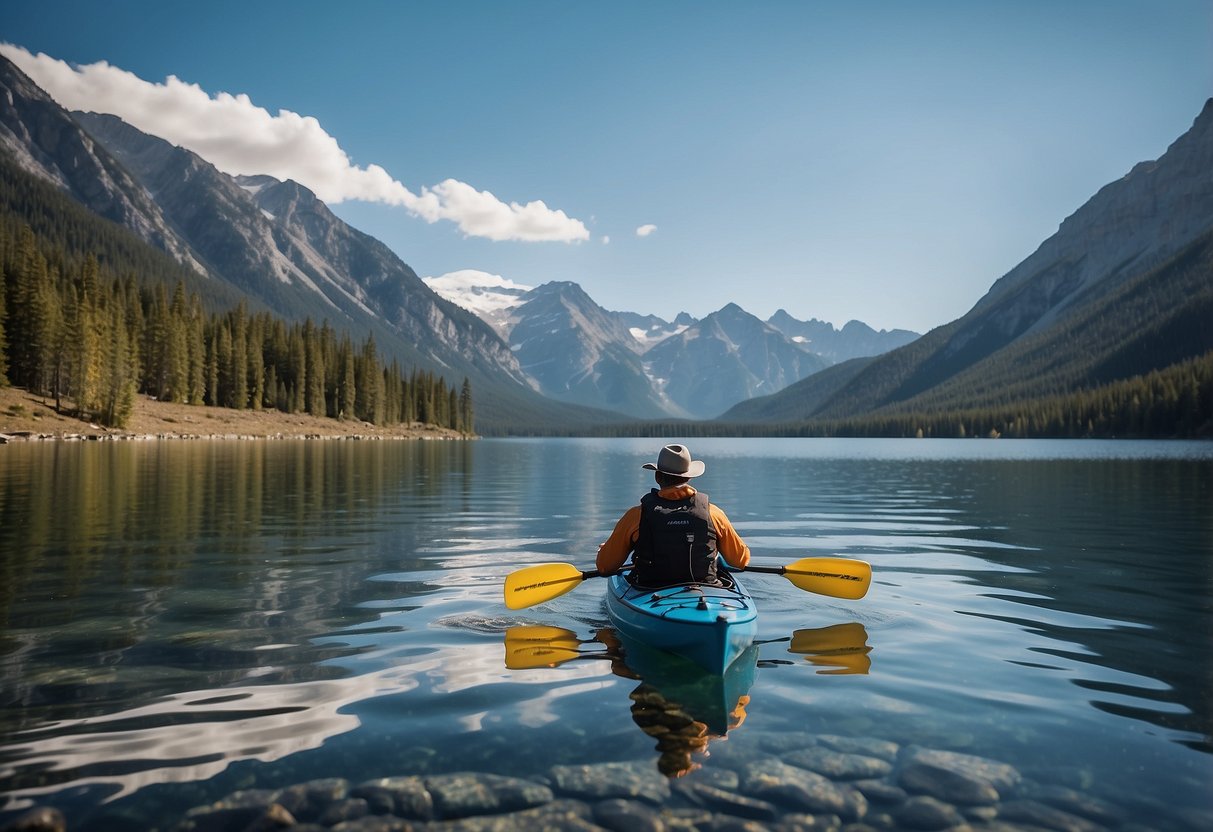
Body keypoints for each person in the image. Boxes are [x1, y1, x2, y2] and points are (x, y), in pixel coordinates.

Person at [597, 444, 750, 587]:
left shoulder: (636, 515)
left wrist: (606, 550)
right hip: (705, 591)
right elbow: (740, 561)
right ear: (689, 478)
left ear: (657, 477)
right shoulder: (713, 513)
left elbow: (605, 567)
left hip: (648, 591)